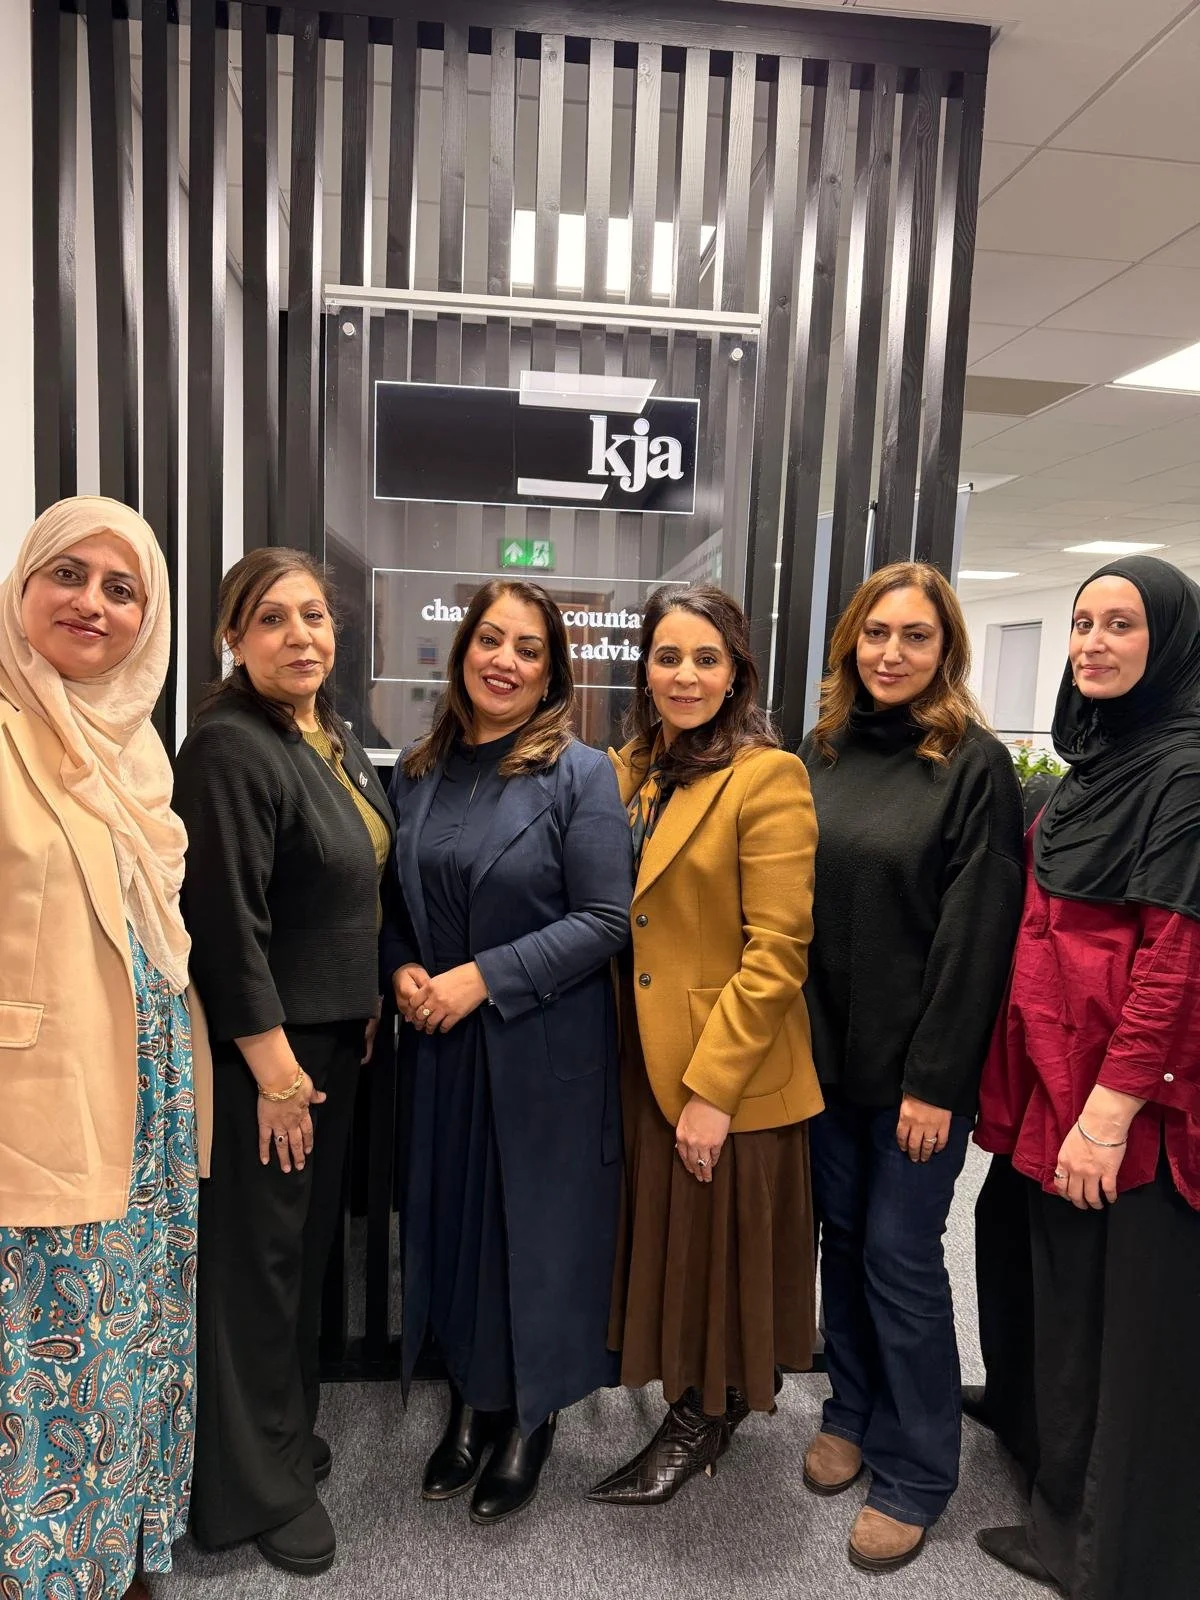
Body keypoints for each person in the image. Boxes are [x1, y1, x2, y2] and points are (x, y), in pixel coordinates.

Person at [974, 557, 1200, 1600]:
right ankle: (1059, 1498)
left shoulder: (1186, 769)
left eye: (1122, 625)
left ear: (1173, 644)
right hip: (1059, 1087)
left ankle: (1104, 1556)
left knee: (1123, 1339)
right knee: (1067, 1309)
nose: (1094, 643)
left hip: (1129, 1113)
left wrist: (1107, 1120)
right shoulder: (1102, 763)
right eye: (1082, 623)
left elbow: (1174, 963)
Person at [383, 579, 632, 1526]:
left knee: (530, 1239)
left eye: (529, 649)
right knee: (453, 1230)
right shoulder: (420, 768)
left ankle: (528, 1419)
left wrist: (481, 978)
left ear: (551, 672)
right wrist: (403, 968)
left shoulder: (582, 775)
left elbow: (606, 919)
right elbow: (398, 906)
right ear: (463, 652)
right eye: (491, 640)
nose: (505, 661)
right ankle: (467, 1402)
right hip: (443, 1050)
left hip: (539, 1049)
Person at [0, 496, 209, 1600]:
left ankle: (118, 1546)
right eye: (67, 575)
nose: (92, 602)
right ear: (21, 588)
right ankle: (43, 1570)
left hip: (143, 1096)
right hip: (35, 1106)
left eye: (121, 588)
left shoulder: (134, 754)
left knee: (131, 1338)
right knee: (46, 1353)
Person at [798, 561, 1024, 1573]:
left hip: (916, 1080)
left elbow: (977, 937)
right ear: (851, 640)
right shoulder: (823, 752)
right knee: (841, 1243)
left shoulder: (970, 764)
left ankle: (920, 1464)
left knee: (899, 1253)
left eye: (916, 637)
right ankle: (850, 1404)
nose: (892, 653)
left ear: (946, 649)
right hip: (828, 1061)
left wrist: (935, 1081)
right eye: (877, 633)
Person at [173, 548, 393, 1575]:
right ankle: (248, 1490)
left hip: (325, 1042)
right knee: (258, 1268)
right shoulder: (226, 747)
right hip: (271, 1058)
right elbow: (225, 928)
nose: (300, 635)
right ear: (232, 637)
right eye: (272, 619)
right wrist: (272, 1070)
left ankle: (277, 1437)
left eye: (314, 615)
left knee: (300, 1262)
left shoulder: (320, 734)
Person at [588, 582, 821, 1508]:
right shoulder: (628, 770)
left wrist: (714, 1090)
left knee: (720, 1259)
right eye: (668, 656)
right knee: (675, 1251)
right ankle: (689, 1401)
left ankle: (707, 1416)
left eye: (706, 659)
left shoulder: (767, 776)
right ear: (644, 669)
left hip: (724, 1071)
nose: (685, 675)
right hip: (642, 1058)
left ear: (736, 674)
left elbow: (778, 954)